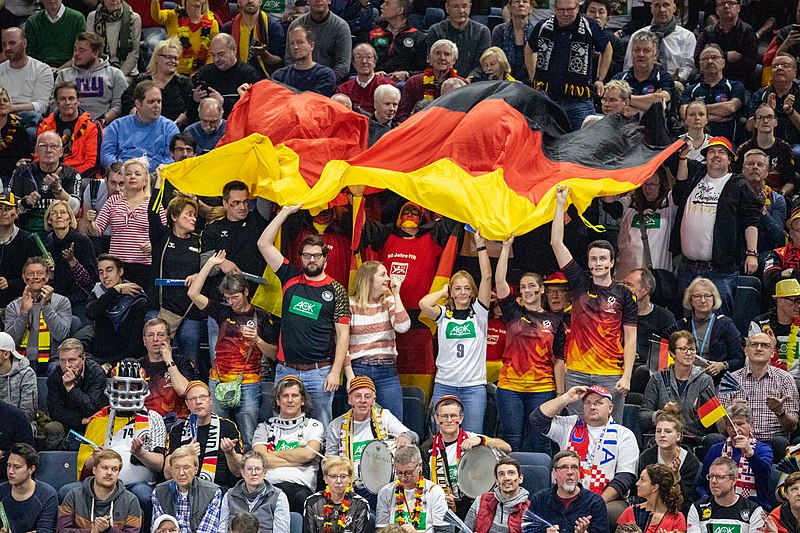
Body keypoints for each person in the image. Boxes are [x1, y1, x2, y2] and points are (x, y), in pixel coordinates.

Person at [258, 204, 350, 428]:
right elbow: (263, 243)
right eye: (307, 255)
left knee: (322, 425)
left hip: (320, 372)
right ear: (301, 258)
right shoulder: (289, 277)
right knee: (281, 426)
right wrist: (284, 212)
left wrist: (336, 371)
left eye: (316, 256)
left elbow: (343, 334)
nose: (311, 260)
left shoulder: (336, 289)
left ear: (325, 259)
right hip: (286, 369)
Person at [551, 185, 637, 420]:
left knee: (610, 430)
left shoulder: (624, 294)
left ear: (611, 262)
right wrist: (560, 204)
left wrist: (627, 375)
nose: (598, 263)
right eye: (593, 259)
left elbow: (630, 337)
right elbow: (557, 243)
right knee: (576, 429)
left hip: (610, 373)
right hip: (577, 372)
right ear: (588, 263)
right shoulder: (579, 283)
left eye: (602, 259)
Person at [187, 253, 278, 445]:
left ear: (246, 292)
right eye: (227, 298)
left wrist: (258, 341)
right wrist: (210, 264)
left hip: (249, 382)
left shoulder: (262, 317)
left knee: (249, 434)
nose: (231, 302)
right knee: (217, 431)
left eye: (235, 297)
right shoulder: (222, 311)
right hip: (218, 379)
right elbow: (193, 294)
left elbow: (275, 354)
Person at [672, 136, 760, 315]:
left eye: (722, 152)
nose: (716, 155)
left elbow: (750, 220)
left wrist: (752, 253)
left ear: (730, 159)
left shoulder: (738, 183)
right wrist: (682, 158)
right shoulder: (696, 173)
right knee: (688, 318)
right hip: (688, 267)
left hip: (721, 269)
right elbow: (679, 189)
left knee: (720, 320)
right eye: (712, 151)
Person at [495, 234, 565, 451]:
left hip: (543, 388)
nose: (527, 290)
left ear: (541, 289)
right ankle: (509, 483)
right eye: (523, 287)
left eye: (532, 285)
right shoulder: (513, 312)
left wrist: (561, 396)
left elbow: (559, 361)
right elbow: (499, 281)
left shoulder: (555, 320)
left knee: (541, 441)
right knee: (512, 441)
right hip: (510, 388)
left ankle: (541, 483)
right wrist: (506, 248)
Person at [74, 358, 166, 525]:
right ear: (112, 387)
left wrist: (141, 453)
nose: (127, 392)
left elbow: (159, 465)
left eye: (134, 386)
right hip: (100, 483)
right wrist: (97, 458)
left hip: (138, 484)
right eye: (122, 386)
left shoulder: (154, 419)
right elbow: (85, 464)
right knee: (68, 492)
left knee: (144, 495)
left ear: (142, 388)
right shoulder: (99, 419)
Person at [530, 385, 638, 523]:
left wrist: (595, 503)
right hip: (566, 493)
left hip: (607, 499)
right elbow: (536, 419)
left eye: (598, 403)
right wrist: (566, 398)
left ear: (610, 408)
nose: (592, 407)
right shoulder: (569, 425)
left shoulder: (624, 435)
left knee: (607, 513)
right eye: (588, 403)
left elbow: (624, 478)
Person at [419, 231, 492, 433]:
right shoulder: (444, 314)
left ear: (472, 291)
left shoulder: (479, 314)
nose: (462, 293)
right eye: (457, 288)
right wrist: (443, 292)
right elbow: (423, 304)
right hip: (445, 385)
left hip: (473, 387)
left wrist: (480, 245)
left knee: (472, 437)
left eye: (467, 288)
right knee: (439, 437)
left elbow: (487, 277)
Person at [325, 376, 416, 504]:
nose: (363, 401)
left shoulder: (384, 416)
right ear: (350, 399)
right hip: (352, 486)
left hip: (383, 483)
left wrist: (405, 437)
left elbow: (412, 434)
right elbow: (329, 460)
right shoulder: (336, 425)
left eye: (367, 397)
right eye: (358, 396)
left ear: (374, 400)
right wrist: (331, 463)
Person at [524, 0, 612, 131]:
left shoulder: (589, 26)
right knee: (546, 144)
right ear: (554, 8)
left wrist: (600, 78)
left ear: (577, 8)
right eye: (561, 10)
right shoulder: (543, 26)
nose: (565, 13)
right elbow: (529, 48)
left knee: (581, 143)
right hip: (548, 99)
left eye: (570, 9)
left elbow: (607, 48)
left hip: (579, 101)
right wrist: (532, 76)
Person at [147, 171, 204, 371]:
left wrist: (199, 275)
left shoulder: (200, 241)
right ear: (173, 216)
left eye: (195, 214)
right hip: (160, 306)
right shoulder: (162, 237)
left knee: (191, 361)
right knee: (156, 359)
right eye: (188, 214)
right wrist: (159, 181)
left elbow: (209, 266)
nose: (193, 218)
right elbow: (153, 212)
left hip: (190, 311)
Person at [421, 395, 511, 518]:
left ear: (461, 418)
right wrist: (438, 496)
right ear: (437, 418)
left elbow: (507, 447)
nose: (449, 420)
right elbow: (423, 481)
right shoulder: (427, 447)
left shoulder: (471, 438)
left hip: (471, 504)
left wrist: (481, 440)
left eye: (453, 416)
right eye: (444, 416)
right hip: (440, 505)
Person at [87, 157, 166, 287]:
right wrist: (91, 222)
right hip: (117, 266)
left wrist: (153, 246)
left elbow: (164, 235)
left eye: (137, 174)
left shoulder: (153, 203)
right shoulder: (113, 201)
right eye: (128, 174)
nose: (132, 177)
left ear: (146, 180)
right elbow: (97, 231)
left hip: (145, 265)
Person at [251, 375, 325, 513]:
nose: (290, 400)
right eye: (285, 396)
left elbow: (308, 454)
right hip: (267, 486)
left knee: (311, 506)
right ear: (278, 401)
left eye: (294, 395)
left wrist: (272, 454)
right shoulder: (264, 427)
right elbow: (259, 460)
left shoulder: (314, 425)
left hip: (300, 489)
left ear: (302, 400)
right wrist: (297, 460)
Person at [346, 260, 409, 419]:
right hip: (360, 368)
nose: (388, 278)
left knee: (395, 424)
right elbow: (341, 343)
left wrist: (396, 294)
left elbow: (403, 326)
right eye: (383, 274)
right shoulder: (350, 304)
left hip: (387, 371)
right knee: (359, 424)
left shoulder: (388, 301)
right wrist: (350, 376)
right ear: (369, 279)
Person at [719, 332, 799, 453]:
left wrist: (780, 412)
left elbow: (792, 427)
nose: (759, 348)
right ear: (746, 351)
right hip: (738, 439)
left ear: (772, 353)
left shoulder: (785, 379)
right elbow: (721, 429)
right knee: (713, 439)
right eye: (754, 344)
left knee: (780, 442)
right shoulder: (730, 379)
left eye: (765, 345)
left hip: (773, 442)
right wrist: (728, 411)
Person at [164, 381, 244, 491]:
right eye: (193, 399)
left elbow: (239, 471)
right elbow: (167, 473)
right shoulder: (177, 430)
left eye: (202, 397)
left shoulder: (228, 427)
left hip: (220, 489)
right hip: (185, 490)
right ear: (187, 404)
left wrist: (230, 453)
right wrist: (184, 454)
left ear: (211, 400)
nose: (198, 402)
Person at [639, 331, 715, 439]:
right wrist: (661, 414)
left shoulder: (704, 380)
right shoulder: (658, 379)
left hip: (692, 437)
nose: (689, 353)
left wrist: (697, 411)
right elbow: (643, 417)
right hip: (664, 436)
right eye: (683, 349)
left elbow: (711, 423)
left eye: (692, 349)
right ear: (672, 353)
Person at [665, 277, 744, 381]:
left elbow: (740, 359)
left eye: (707, 296)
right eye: (697, 296)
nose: (702, 300)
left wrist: (722, 365)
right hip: (685, 377)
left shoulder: (726, 325)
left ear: (714, 299)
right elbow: (667, 355)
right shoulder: (680, 326)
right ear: (690, 300)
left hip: (717, 380)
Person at [697, 404, 773, 510]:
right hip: (718, 506)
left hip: (754, 507)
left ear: (751, 425)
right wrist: (707, 499)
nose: (735, 429)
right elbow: (701, 485)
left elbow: (765, 475)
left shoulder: (762, 449)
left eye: (740, 424)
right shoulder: (716, 450)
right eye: (731, 425)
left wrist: (750, 454)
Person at [4, 256, 72, 372]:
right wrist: (24, 313)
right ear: (24, 278)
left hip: (52, 360)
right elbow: (11, 341)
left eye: (39, 273)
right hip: (20, 360)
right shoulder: (13, 306)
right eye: (30, 273)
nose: (35, 277)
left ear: (46, 277)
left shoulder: (62, 302)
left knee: (58, 370)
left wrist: (46, 306)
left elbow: (61, 335)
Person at [10, 130, 82, 233]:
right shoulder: (22, 172)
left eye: (54, 146)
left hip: (59, 233)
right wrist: (25, 202)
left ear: (61, 152)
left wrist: (58, 190)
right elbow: (9, 208)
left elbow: (74, 209)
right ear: (36, 150)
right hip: (27, 232)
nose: (48, 150)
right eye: (43, 146)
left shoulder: (72, 174)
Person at [84, 253, 147, 368]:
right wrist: (115, 290)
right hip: (99, 359)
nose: (105, 276)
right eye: (101, 272)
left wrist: (110, 364)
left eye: (109, 270)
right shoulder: (97, 294)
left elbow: (135, 346)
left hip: (127, 362)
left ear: (120, 272)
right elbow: (91, 313)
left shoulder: (137, 300)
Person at [43, 339, 108, 450]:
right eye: (62, 360)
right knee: (52, 427)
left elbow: (92, 407)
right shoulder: (54, 376)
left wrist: (71, 388)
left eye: (71, 360)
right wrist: (80, 421)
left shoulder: (96, 373)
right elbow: (55, 412)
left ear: (83, 359)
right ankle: (59, 461)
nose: (67, 366)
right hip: (69, 422)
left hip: (93, 421)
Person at [523, 450, 609, 533]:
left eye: (574, 467)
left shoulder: (595, 502)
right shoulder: (539, 499)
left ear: (579, 473)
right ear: (554, 473)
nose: (570, 472)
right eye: (564, 467)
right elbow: (528, 530)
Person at [100, 82, 179, 171]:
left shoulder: (169, 128)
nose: (157, 106)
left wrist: (156, 174)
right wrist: (121, 170)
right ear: (138, 103)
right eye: (151, 102)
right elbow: (107, 155)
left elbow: (171, 158)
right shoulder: (117, 126)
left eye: (159, 101)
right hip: (123, 176)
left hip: (156, 177)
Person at [58, 450, 143, 532]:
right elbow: (62, 530)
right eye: (105, 468)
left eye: (114, 469)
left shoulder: (131, 500)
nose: (109, 473)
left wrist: (109, 530)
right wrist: (93, 531)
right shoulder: (74, 496)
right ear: (94, 470)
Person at [53, 32, 129, 124]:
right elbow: (54, 104)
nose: (76, 54)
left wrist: (100, 122)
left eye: (81, 50)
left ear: (95, 53)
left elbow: (118, 106)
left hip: (103, 126)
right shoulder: (64, 75)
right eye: (75, 49)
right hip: (70, 125)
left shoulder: (115, 74)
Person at [637, 404, 701, 512]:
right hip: (650, 506)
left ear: (678, 436)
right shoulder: (647, 457)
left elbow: (687, 500)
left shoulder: (690, 461)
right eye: (658, 431)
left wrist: (677, 478)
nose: (662, 435)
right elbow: (642, 492)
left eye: (668, 431)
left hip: (680, 509)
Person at [121, 37, 194, 127]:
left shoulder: (184, 83)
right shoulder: (142, 80)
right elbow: (127, 99)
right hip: (141, 127)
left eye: (176, 58)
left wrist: (174, 125)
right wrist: (139, 118)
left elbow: (190, 109)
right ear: (156, 58)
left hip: (174, 131)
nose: (173, 61)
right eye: (169, 57)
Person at [38, 81, 103, 180]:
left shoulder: (92, 126)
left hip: (80, 176)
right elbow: (38, 155)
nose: (67, 103)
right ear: (56, 102)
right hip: (47, 174)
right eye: (63, 99)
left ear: (78, 101)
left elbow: (92, 164)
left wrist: (68, 177)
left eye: (71, 98)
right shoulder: (45, 125)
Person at [189, 33, 261, 122]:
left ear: (234, 50)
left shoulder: (249, 74)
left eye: (221, 54)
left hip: (237, 124)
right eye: (213, 55)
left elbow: (254, 108)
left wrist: (223, 102)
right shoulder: (204, 73)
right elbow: (190, 111)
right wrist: (195, 99)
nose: (216, 60)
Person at [679, 45, 745, 143]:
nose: (710, 61)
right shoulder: (690, 89)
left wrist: (697, 112)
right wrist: (716, 116)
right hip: (695, 144)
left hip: (726, 145)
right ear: (700, 65)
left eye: (714, 57)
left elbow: (730, 108)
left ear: (723, 63)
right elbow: (684, 112)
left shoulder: (735, 86)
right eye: (705, 58)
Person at [43, 200, 96, 321]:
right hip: (55, 302)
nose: (59, 216)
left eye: (63, 212)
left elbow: (89, 281)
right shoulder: (47, 247)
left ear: (70, 218)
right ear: (49, 220)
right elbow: (47, 284)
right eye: (54, 213)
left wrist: (73, 262)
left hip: (80, 301)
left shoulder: (83, 242)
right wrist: (50, 274)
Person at [622, 0, 695, 86]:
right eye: (657, 5)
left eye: (666, 5)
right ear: (651, 9)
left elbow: (689, 68)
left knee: (675, 86)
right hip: (641, 82)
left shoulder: (687, 36)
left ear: (674, 8)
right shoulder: (637, 35)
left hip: (673, 83)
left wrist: (678, 77)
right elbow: (628, 67)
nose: (661, 10)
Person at [375, 445, 448, 531]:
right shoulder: (386, 492)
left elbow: (444, 531)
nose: (403, 478)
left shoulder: (434, 491)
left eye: (408, 472)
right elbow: (381, 530)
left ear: (420, 466)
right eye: (399, 472)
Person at [151, 445, 223, 533]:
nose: (181, 473)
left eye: (186, 467)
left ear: (196, 469)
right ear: (171, 470)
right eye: (176, 468)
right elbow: (159, 530)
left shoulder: (213, 493)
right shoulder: (159, 492)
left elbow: (207, 530)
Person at [687, 456, 766, 533]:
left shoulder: (754, 511)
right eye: (711, 476)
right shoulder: (697, 508)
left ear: (733, 480)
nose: (713, 481)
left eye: (719, 477)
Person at [622, 268, 675, 381]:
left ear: (646, 289)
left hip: (649, 369)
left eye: (629, 285)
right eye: (624, 284)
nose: (624, 289)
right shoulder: (617, 314)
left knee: (643, 372)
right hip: (620, 363)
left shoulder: (665, 317)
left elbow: (672, 350)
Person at [0, 27, 54, 136]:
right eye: (4, 44)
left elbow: (41, 105)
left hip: (27, 118)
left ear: (24, 43)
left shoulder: (42, 69)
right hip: (2, 116)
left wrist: (11, 108)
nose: (7, 48)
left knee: (33, 121)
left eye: (12, 43)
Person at [138, 318, 195, 420]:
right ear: (144, 341)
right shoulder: (137, 366)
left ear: (168, 339)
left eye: (160, 334)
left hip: (177, 423)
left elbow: (183, 391)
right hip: (145, 423)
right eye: (150, 335)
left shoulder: (182, 362)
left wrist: (169, 360)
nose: (155, 339)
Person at [693, 0, 759, 89]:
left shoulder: (747, 31)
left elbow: (750, 63)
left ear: (738, 8)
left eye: (731, 3)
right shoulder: (707, 32)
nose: (726, 6)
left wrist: (714, 60)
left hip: (739, 82)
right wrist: (726, 56)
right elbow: (698, 60)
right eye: (722, 4)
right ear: (716, 10)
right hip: (710, 81)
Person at [218, 451, 290, 532]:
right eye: (249, 469)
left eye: (258, 469)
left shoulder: (278, 497)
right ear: (242, 472)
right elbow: (222, 530)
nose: (254, 473)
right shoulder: (229, 495)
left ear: (264, 473)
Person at [737, 148, 789, 259]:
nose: (755, 167)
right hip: (737, 252)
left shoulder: (777, 200)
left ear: (766, 173)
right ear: (742, 170)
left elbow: (778, 238)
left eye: (760, 164)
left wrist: (763, 211)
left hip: (764, 253)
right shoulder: (732, 194)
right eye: (750, 164)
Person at [396, 40, 464, 122]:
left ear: (453, 61)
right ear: (430, 58)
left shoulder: (461, 85)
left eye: (447, 54)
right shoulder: (414, 82)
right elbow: (403, 114)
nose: (442, 58)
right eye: (438, 53)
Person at [285, 0, 351, 83]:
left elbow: (343, 66)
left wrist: (324, 81)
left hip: (330, 84)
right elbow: (289, 59)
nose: (318, 0)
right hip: (299, 83)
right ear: (307, 1)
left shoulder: (340, 27)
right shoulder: (296, 26)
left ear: (329, 1)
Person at [749, 53, 800, 160]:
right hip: (765, 143)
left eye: (785, 65)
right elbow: (750, 126)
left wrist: (790, 111)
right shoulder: (760, 94)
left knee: (796, 153)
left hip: (795, 143)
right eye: (775, 66)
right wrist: (768, 110)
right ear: (771, 73)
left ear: (794, 73)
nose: (779, 68)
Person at [737, 108, 796, 200]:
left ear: (776, 122)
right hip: (747, 197)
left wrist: (779, 195)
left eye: (769, 117)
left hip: (776, 198)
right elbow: (736, 178)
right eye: (760, 117)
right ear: (755, 123)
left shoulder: (785, 148)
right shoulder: (743, 149)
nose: (765, 121)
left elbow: (790, 181)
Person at [150, 0, 220, 75]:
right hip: (174, 73)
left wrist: (204, 72)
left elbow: (212, 53)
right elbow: (157, 16)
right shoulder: (173, 16)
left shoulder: (212, 24)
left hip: (200, 74)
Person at [0, 443, 58, 533]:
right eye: (8, 465)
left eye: (17, 467)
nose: (10, 471)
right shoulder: (1, 491)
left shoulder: (47, 495)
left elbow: (45, 530)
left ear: (31, 469)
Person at [304, 456, 371, 533]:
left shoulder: (361, 504)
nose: (339, 481)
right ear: (325, 479)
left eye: (343, 476)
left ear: (349, 479)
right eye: (333, 476)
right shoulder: (312, 502)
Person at [613, 31, 674, 115]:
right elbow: (612, 104)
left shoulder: (664, 77)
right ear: (631, 54)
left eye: (647, 51)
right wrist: (648, 107)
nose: (641, 54)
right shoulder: (619, 78)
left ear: (655, 56)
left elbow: (662, 101)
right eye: (637, 50)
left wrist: (623, 99)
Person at [220, 0, 285, 79]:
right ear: (239, 2)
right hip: (235, 78)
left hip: (265, 79)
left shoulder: (273, 27)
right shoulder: (228, 28)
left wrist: (264, 54)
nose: (250, 1)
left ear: (260, 1)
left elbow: (279, 62)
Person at [464, 456, 530, 533]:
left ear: (520, 478)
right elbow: (465, 530)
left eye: (511, 473)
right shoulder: (481, 500)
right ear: (497, 481)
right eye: (501, 474)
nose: (506, 478)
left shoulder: (530, 510)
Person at [426, 0, 491, 78]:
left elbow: (482, 63)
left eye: (464, 6)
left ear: (470, 7)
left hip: (472, 83)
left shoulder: (482, 31)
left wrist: (469, 79)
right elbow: (433, 61)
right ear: (447, 7)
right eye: (455, 6)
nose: (461, 11)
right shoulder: (436, 30)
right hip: (442, 80)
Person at [750, 279, 800, 375]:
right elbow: (753, 359)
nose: (799, 306)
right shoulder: (759, 324)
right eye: (795, 301)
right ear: (780, 301)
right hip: (767, 376)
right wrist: (770, 347)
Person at [0, 190, 39, 308]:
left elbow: (36, 276)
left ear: (16, 213)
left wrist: (10, 284)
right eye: (0, 208)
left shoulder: (28, 240)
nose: (3, 213)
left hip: (20, 299)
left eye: (8, 209)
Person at [618, 464, 686, 533]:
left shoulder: (677, 518)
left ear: (655, 488)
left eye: (642, 479)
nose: (637, 483)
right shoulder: (630, 512)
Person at [369, 0, 427, 81]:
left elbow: (424, 70)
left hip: (403, 84)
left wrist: (407, 74)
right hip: (375, 80)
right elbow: (362, 61)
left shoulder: (418, 38)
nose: (381, 6)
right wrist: (371, 73)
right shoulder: (373, 33)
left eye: (387, 3)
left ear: (400, 10)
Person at [272, 26, 336, 96]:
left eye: (300, 42)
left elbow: (316, 101)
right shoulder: (279, 75)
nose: (295, 47)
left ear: (311, 46)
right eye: (292, 43)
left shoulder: (325, 75)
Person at [86, 0, 142, 80]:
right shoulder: (93, 17)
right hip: (99, 70)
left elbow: (134, 53)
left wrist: (117, 76)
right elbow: (90, 49)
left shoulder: (134, 18)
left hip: (126, 73)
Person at [24, 0, 85, 71]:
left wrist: (60, 69)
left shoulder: (77, 19)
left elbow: (81, 52)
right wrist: (44, 71)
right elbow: (30, 54)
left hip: (71, 70)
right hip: (39, 71)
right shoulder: (33, 21)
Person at [336, 44, 395, 113]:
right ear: (353, 63)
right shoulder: (343, 90)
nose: (364, 61)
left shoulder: (388, 87)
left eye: (368, 57)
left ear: (375, 62)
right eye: (359, 57)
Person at [491, 0, 533, 83]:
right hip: (504, 83)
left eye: (525, 1)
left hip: (529, 85)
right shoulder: (499, 31)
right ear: (509, 8)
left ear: (531, 8)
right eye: (517, 1)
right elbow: (496, 61)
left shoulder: (536, 32)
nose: (521, 4)